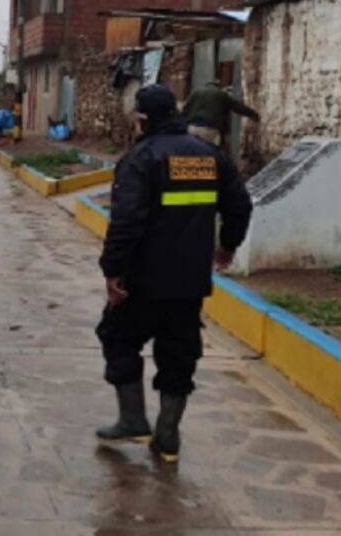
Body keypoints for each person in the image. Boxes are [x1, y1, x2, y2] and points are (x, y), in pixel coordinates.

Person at [96, 84, 253, 464]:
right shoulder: (210, 156)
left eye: (137, 119)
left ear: (144, 120)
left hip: (143, 281)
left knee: (117, 337)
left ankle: (133, 419)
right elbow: (240, 204)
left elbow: (127, 222)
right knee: (179, 354)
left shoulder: (141, 158)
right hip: (189, 283)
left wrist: (113, 270)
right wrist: (228, 245)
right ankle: (168, 436)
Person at [181, 80, 260, 146]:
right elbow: (237, 107)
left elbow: (185, 109)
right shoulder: (222, 94)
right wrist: (253, 114)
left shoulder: (196, 92)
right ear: (219, 87)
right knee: (211, 155)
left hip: (192, 128)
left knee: (191, 154)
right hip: (209, 130)